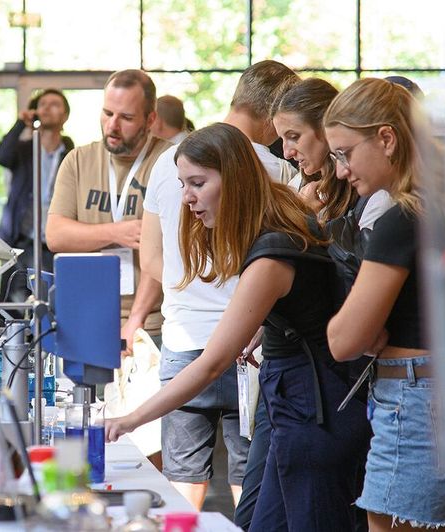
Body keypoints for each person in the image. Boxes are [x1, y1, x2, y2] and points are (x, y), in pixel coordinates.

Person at [106, 123, 372, 531]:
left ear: (234, 180)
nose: (186, 198)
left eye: (197, 183)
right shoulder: (282, 222)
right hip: (299, 407)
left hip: (315, 418)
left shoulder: (271, 253)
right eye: (182, 184)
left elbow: (212, 364)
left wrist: (130, 420)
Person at [133, 60, 300, 515]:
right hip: (250, 346)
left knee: (183, 484)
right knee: (251, 481)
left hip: (186, 341)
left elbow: (150, 260)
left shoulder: (168, 161)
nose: (192, 197)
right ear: (273, 115)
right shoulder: (281, 171)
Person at [325, 78, 445, 531]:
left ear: (386, 138)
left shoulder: (402, 218)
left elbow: (343, 340)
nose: (340, 172)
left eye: (345, 153)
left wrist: (362, 321)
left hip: (414, 400)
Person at [46, 69, 172, 355]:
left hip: (150, 323)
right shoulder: (78, 160)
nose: (112, 126)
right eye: (107, 113)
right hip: (87, 316)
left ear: (150, 120)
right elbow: (56, 236)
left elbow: (163, 249)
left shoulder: (169, 162)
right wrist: (118, 232)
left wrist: (136, 321)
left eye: (126, 118)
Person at [273, 77, 394, 229]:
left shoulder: (374, 195)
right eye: (282, 139)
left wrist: (304, 219)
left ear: (325, 128)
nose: (287, 153)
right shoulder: (297, 185)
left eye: (293, 137)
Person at [0, 89, 74, 304]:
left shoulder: (70, 153)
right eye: (42, 104)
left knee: (52, 303)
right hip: (22, 240)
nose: (47, 108)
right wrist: (21, 124)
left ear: (65, 115)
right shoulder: (23, 150)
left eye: (54, 104)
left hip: (54, 244)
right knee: (14, 304)